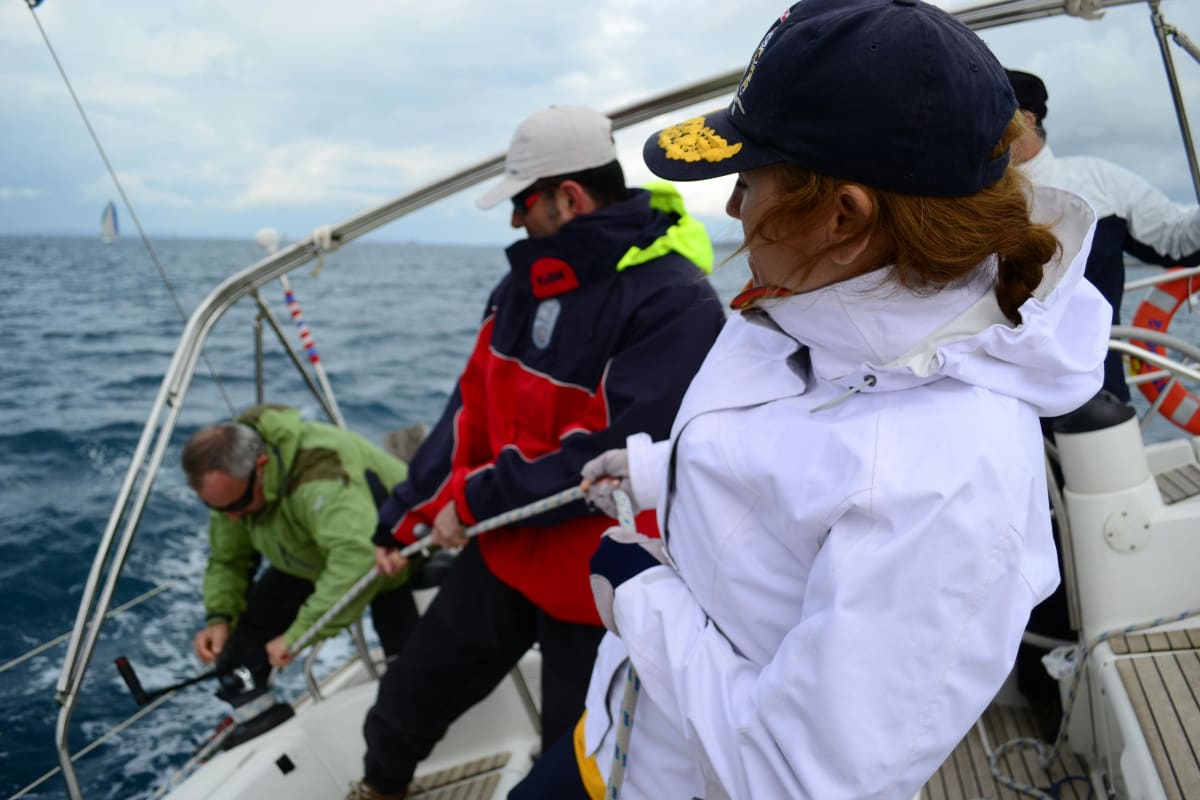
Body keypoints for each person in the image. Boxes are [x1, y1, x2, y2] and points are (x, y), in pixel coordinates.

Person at [510, 1, 1111, 798]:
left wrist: (639, 599)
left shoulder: (949, 482)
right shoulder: (816, 300)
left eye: (749, 182)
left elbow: (798, 778)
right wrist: (656, 470)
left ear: (844, 215)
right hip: (627, 729)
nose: (732, 210)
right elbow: (787, 466)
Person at [348, 105, 726, 799]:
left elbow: (613, 456)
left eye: (523, 203)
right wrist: (403, 517)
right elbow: (469, 409)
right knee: (404, 704)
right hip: (507, 552)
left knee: (577, 768)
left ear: (569, 197)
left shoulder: (677, 303)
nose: (516, 221)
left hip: (601, 585)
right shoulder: (523, 286)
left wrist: (474, 500)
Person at [182, 404, 417, 703]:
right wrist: (219, 618)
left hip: (398, 559)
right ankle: (257, 719)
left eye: (236, 505)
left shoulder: (320, 474)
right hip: (311, 561)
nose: (231, 518)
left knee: (413, 682)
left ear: (262, 466)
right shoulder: (235, 491)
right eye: (217, 508)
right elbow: (229, 559)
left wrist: (298, 636)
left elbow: (358, 558)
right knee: (238, 651)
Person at [1006, 68, 1200, 403]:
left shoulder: (1101, 182)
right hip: (999, 396)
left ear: (1026, 120)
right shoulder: (961, 200)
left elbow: (1178, 241)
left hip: (1096, 392)